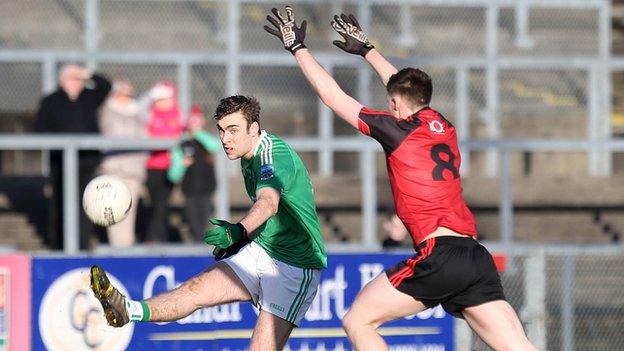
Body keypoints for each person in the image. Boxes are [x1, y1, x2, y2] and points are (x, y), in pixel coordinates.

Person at [264, 7, 538, 351]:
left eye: (391, 102)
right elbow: (405, 88)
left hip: (439, 254)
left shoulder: (397, 129)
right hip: (474, 255)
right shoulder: (442, 124)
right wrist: (368, 50)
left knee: (358, 320)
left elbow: (334, 97)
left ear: (395, 104)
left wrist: (297, 48)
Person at [91, 95, 327, 350]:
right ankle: (128, 309)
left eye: (233, 130)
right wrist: (246, 239)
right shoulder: (248, 155)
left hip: (294, 266)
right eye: (222, 130)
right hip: (263, 250)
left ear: (254, 128)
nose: (225, 139)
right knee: (195, 289)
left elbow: (269, 203)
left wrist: (240, 230)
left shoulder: (271, 156)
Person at [34, 64, 111, 250]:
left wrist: (87, 73)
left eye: (79, 79)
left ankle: (82, 245)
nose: (77, 82)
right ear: (62, 80)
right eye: (72, 78)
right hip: (61, 164)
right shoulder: (51, 101)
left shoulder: (88, 97)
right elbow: (40, 128)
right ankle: (59, 246)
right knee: (60, 205)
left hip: (86, 163)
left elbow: (106, 86)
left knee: (86, 205)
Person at [97, 78, 148, 248]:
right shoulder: (107, 110)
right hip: (114, 169)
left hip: (133, 170)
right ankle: (118, 248)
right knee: (114, 211)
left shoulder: (137, 112)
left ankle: (126, 247)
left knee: (129, 211)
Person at [167, 104, 220, 242]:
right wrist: (182, 165)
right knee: (193, 223)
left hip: (206, 191)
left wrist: (197, 133)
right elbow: (173, 176)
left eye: (198, 121)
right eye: (192, 120)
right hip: (189, 191)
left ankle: (203, 250)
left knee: (204, 222)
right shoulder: (183, 143)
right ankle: (196, 248)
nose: (195, 124)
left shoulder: (206, 141)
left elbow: (214, 146)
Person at [143, 81, 183, 243]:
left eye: (165, 98)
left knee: (162, 204)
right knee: (155, 204)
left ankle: (155, 239)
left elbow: (177, 135)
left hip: (170, 168)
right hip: (152, 166)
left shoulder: (177, 114)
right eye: (159, 99)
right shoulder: (150, 114)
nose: (162, 102)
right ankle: (158, 237)